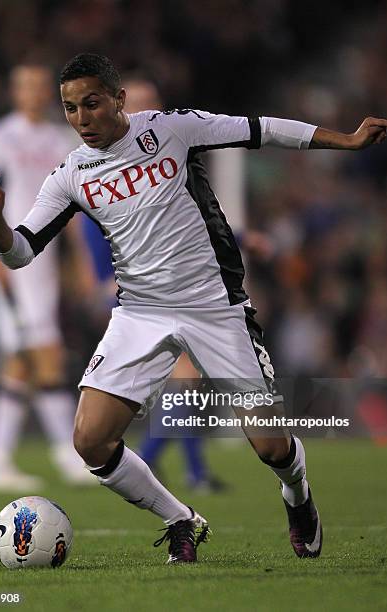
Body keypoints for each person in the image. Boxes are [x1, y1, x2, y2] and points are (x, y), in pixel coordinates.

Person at [0, 53, 387, 563]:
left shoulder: (170, 130)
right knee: (89, 441)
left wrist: (344, 140)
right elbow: (19, 253)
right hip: (139, 313)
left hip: (215, 307)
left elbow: (259, 130)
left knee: (271, 448)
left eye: (91, 104)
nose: (82, 119)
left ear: (118, 100)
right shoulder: (70, 175)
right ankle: (181, 520)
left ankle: (297, 494)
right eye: (70, 109)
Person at [82, 73, 227, 491]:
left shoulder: (168, 160)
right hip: (131, 294)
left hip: (171, 288)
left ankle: (184, 470)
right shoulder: (103, 169)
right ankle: (158, 464)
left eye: (155, 105)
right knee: (183, 377)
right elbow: (90, 233)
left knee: (184, 379)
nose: (151, 114)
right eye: (141, 105)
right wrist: (101, 281)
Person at [0, 64, 94, 491]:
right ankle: (66, 452)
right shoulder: (0, 137)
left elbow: (70, 205)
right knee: (45, 350)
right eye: (25, 85)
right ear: (14, 91)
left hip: (45, 263)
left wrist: (81, 262)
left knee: (22, 358)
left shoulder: (58, 139)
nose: (33, 92)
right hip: (12, 263)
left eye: (40, 86)